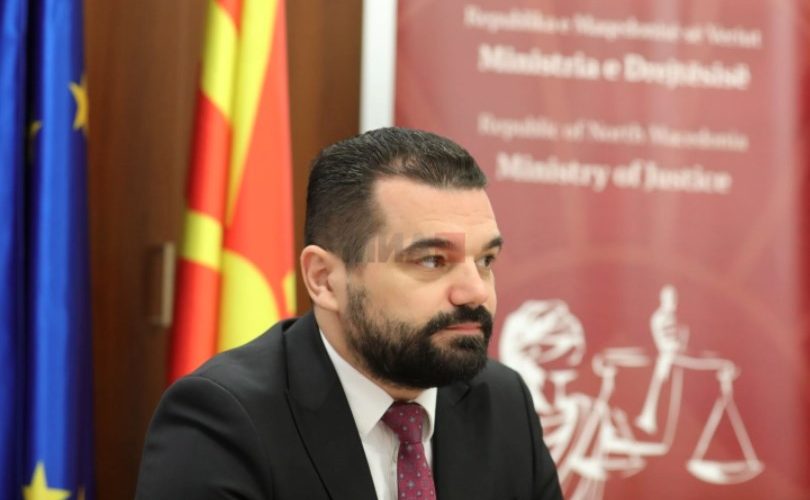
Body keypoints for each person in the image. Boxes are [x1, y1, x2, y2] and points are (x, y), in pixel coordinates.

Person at [135, 127, 562, 500]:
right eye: (432, 260)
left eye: (485, 260)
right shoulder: (226, 419)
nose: (475, 291)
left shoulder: (502, 401)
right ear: (324, 279)